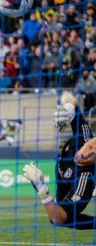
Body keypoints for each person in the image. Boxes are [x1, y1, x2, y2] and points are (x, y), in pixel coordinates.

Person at [23, 91, 96, 230]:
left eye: (93, 155)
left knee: (60, 218)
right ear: (88, 141)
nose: (87, 153)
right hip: (63, 173)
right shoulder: (84, 136)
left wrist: (42, 189)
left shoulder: (85, 179)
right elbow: (70, 97)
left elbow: (58, 218)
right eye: (90, 146)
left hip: (69, 187)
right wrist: (67, 108)